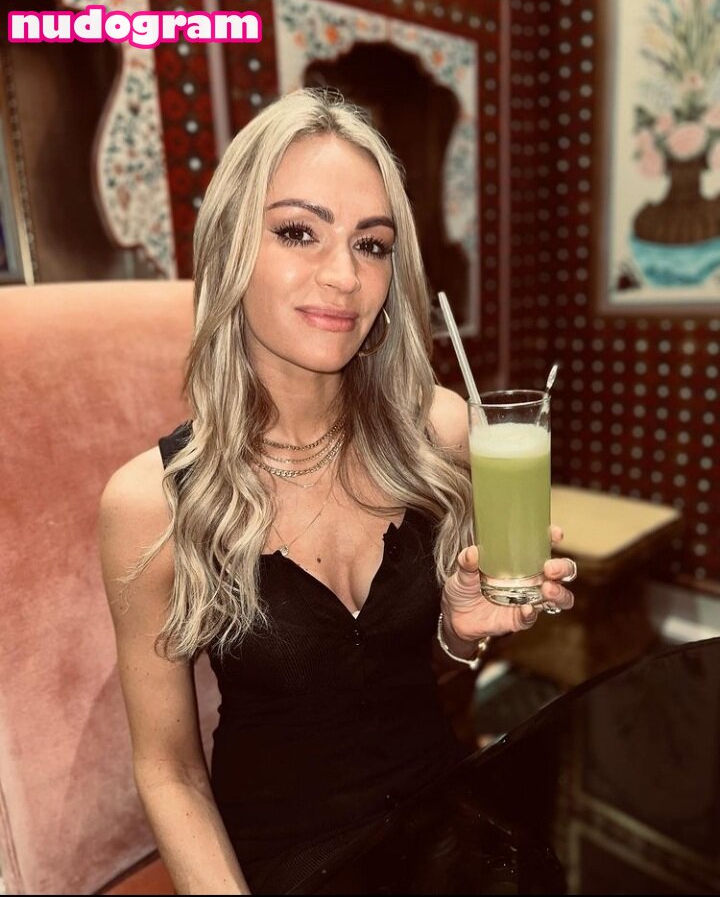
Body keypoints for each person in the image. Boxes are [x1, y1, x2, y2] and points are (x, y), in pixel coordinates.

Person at [98, 87, 575, 895]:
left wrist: (459, 633)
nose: (344, 276)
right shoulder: (151, 503)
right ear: (231, 249)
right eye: (298, 231)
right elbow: (168, 768)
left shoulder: (439, 432)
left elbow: (415, 677)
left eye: (372, 244)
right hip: (287, 864)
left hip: (443, 828)